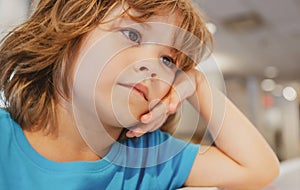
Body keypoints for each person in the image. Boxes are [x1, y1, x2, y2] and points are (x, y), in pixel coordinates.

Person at [0, 0, 279, 189]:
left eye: (168, 61)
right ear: (67, 31)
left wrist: (196, 82)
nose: (151, 67)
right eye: (132, 35)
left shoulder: (149, 158)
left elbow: (260, 168)